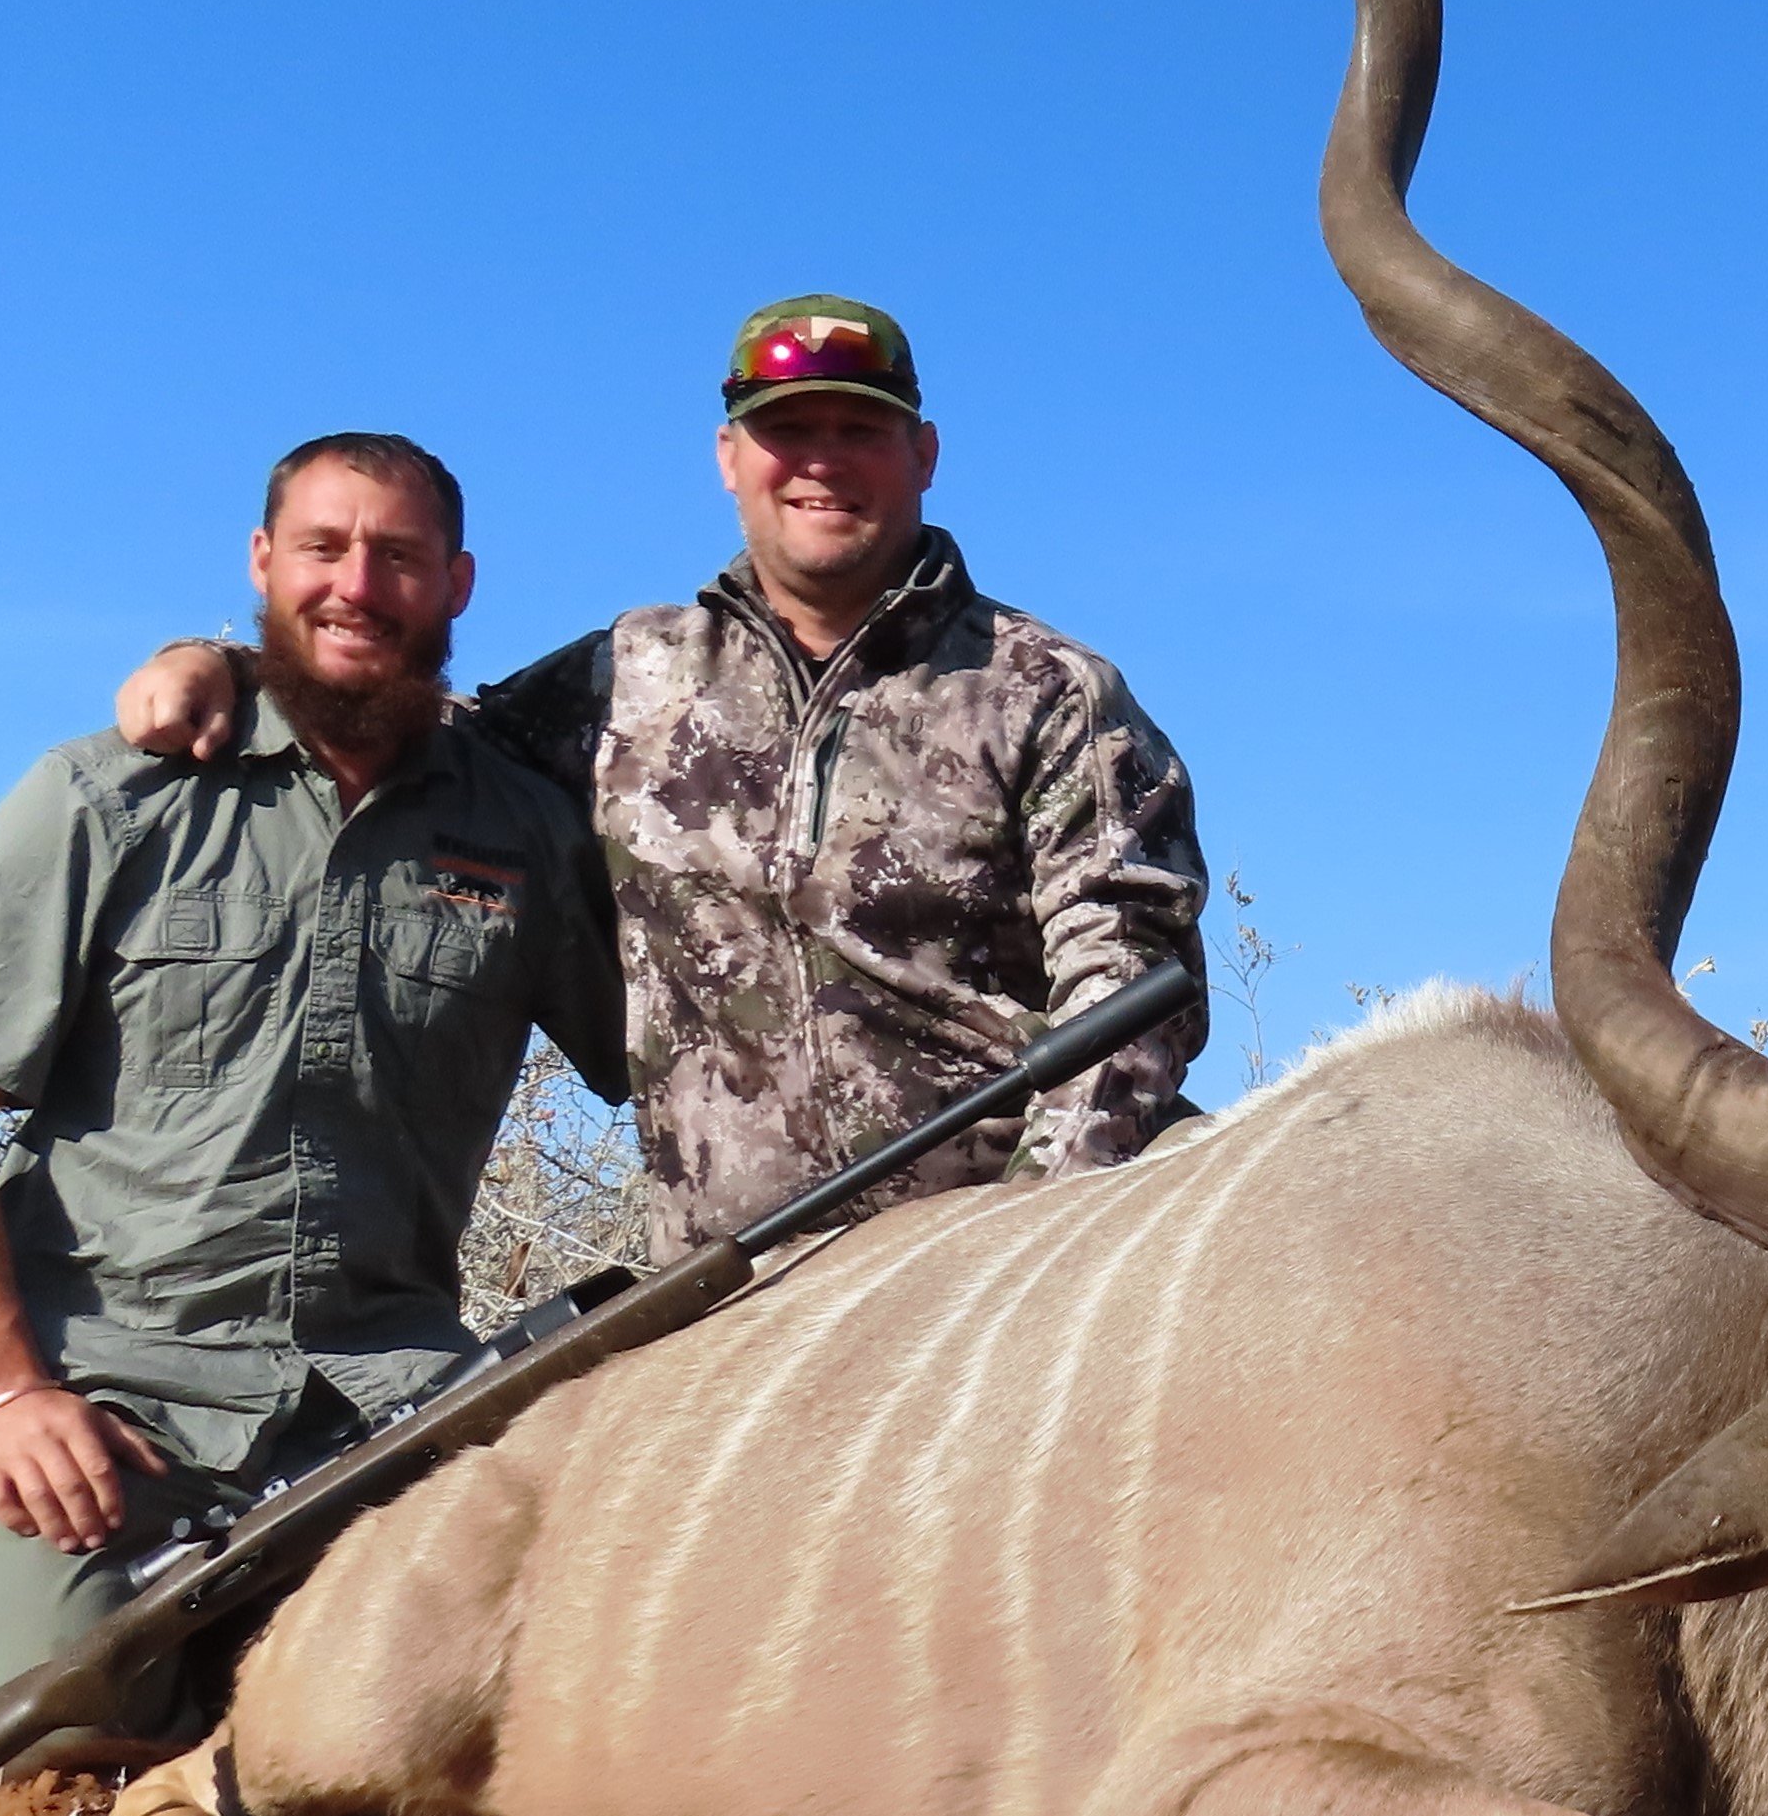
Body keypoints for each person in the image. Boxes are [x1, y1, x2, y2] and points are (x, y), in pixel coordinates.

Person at [115, 297, 1207, 1248]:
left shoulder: (1048, 693)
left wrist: (1022, 1247)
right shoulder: (631, 672)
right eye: (788, 431)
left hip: (997, 1286)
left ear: (923, 454)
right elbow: (402, 724)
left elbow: (1130, 997)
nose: (822, 461)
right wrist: (229, 664)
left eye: (859, 430)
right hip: (730, 1317)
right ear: (729, 457)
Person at [0, 434, 624, 1757]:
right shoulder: (110, 793)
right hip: (121, 1404)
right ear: (264, 564)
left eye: (399, 558)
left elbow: (676, 1057)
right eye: (324, 548)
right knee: (43, 1717)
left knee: (561, 1705)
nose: (358, 586)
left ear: (457, 585)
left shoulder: (528, 830)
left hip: (396, 1407)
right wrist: (10, 1396)